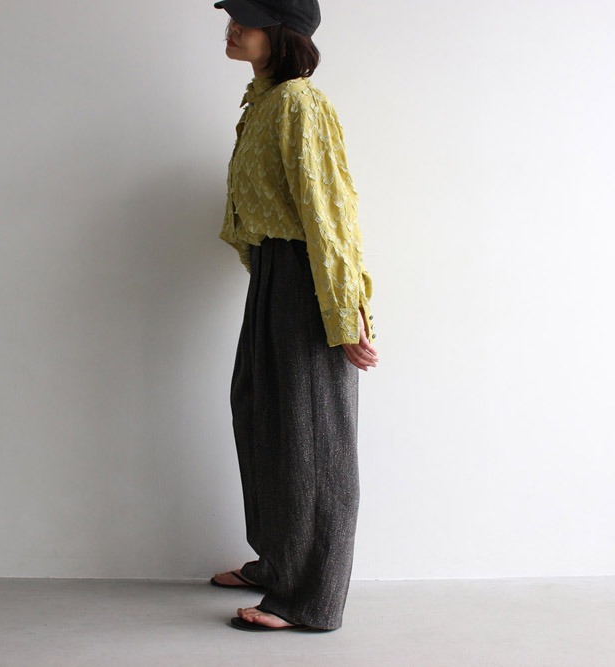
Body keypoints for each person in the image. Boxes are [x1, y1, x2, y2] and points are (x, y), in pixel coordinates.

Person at [209, 0, 379, 632]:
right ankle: (278, 562)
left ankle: (312, 599)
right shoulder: (263, 103)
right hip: (273, 275)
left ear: (282, 32)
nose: (232, 26)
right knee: (261, 418)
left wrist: (346, 309)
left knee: (314, 441)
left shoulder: (301, 105)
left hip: (307, 276)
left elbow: (329, 212)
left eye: (247, 18)